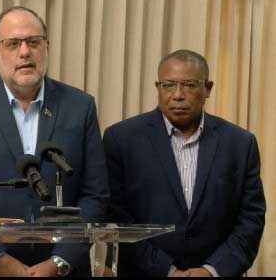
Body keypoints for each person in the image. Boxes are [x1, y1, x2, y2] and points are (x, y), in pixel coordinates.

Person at [0, 6, 110, 277]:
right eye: (13, 43)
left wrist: (60, 262)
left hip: (62, 269)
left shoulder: (80, 106)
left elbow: (95, 195)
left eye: (33, 42)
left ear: (47, 47)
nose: (25, 52)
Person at [103, 49, 266, 277]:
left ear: (207, 89)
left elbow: (251, 219)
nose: (178, 95)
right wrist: (167, 271)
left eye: (189, 85)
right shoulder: (121, 139)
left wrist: (212, 270)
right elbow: (115, 218)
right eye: (168, 85)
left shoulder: (239, 144)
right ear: (157, 87)